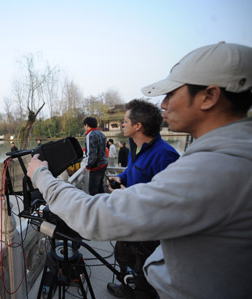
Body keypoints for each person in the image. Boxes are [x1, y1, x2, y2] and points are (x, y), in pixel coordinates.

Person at [27, 42, 252, 298]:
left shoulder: (214, 168)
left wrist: (40, 175)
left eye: (171, 94)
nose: (164, 104)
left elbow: (95, 216)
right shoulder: (228, 155)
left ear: (208, 97)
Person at [107, 99, 180, 298]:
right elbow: (131, 171)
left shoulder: (165, 156)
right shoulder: (135, 146)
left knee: (144, 268)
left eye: (125, 121)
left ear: (138, 125)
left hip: (148, 228)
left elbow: (166, 202)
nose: (122, 124)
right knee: (123, 257)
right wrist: (120, 178)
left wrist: (124, 194)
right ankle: (126, 287)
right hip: (128, 218)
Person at [83, 117, 107, 195]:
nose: (84, 127)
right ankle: (104, 205)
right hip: (103, 164)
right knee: (100, 188)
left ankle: (97, 207)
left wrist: (88, 166)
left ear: (87, 125)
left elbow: (92, 154)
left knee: (93, 191)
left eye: (84, 125)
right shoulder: (101, 134)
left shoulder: (90, 135)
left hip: (96, 167)